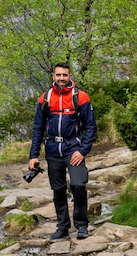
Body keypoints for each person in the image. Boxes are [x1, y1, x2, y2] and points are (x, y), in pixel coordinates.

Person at [28, 62, 97, 240]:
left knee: (78, 185)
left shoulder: (80, 97)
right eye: (58, 75)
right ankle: (63, 227)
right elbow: (38, 128)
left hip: (73, 148)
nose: (61, 78)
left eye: (64, 75)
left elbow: (91, 128)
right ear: (53, 76)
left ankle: (82, 225)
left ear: (70, 76)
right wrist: (33, 156)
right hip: (52, 150)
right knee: (58, 190)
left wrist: (82, 151)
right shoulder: (45, 98)